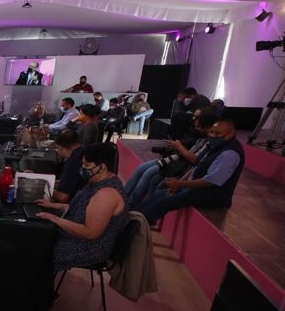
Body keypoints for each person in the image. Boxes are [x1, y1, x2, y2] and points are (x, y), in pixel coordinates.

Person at [36, 142, 127, 271]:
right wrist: (52, 205)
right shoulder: (98, 180)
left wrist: (55, 219)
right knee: (37, 237)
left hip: (88, 247)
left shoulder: (106, 194)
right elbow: (80, 208)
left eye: (87, 165)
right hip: (76, 238)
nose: (82, 168)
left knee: (37, 250)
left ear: (102, 167)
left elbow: (90, 233)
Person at [138, 118, 245, 224]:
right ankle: (136, 217)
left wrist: (180, 184)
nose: (212, 135)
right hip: (194, 188)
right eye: (211, 132)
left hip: (211, 195)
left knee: (163, 202)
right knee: (157, 195)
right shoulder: (214, 145)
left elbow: (210, 181)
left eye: (217, 133)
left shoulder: (229, 153)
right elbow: (197, 165)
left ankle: (138, 225)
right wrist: (179, 183)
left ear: (230, 134)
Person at [124, 108, 217, 209]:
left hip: (180, 164)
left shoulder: (209, 141)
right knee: (141, 169)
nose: (193, 118)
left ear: (206, 122)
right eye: (194, 116)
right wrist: (178, 147)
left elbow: (195, 160)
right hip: (176, 159)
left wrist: (179, 147)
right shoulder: (197, 133)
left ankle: (132, 205)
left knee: (150, 174)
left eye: (197, 117)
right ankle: (124, 198)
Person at [52, 129, 86, 203]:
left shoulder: (74, 162)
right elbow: (65, 182)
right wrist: (45, 181)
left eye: (57, 148)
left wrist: (44, 189)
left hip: (73, 205)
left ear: (61, 147)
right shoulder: (83, 151)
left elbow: (62, 197)